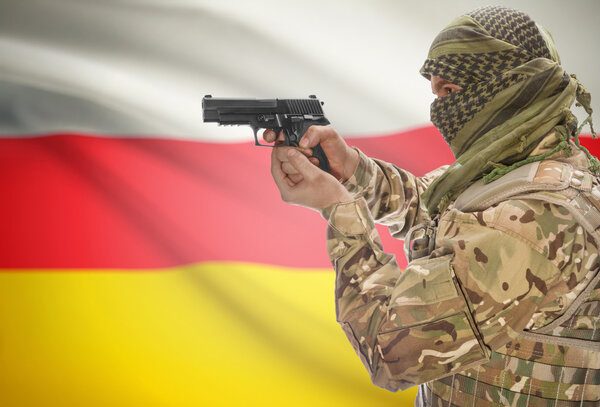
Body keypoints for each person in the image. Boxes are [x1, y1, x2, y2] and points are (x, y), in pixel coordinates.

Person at [264, 6, 600, 407]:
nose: (440, 109)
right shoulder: (521, 168)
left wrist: (340, 209)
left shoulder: (535, 219)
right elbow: (431, 209)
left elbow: (391, 353)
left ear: (509, 85)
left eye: (451, 93)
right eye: (436, 94)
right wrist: (351, 168)